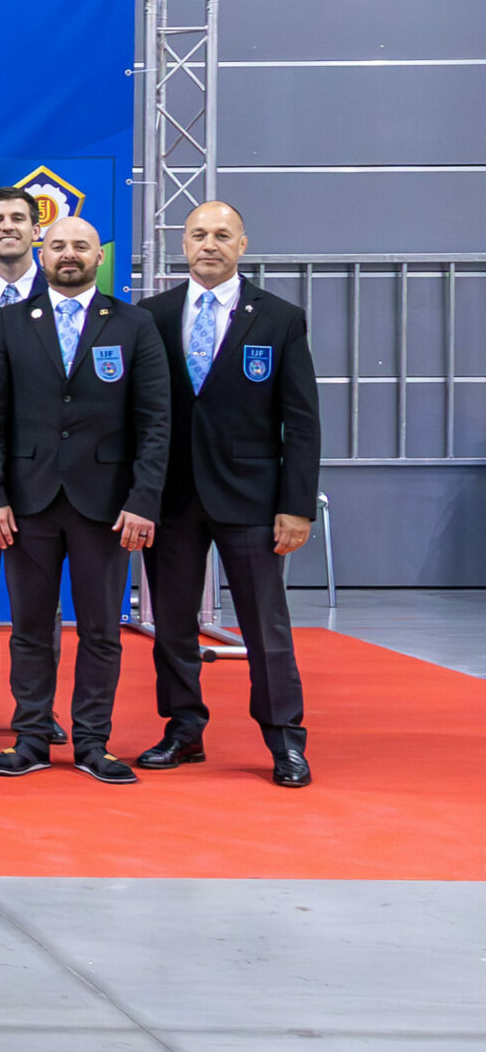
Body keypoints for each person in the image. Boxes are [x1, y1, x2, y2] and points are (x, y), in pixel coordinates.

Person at [0, 215, 170, 783]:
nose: (68, 254)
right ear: (42, 253)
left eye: (80, 246)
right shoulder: (11, 322)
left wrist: (144, 499)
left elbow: (155, 422)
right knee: (30, 629)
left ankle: (92, 742)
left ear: (98, 256)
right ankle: (31, 737)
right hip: (26, 503)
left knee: (101, 631)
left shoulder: (134, 324)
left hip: (107, 506)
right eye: (57, 245)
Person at [134, 201, 318, 788]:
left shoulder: (280, 319)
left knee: (265, 627)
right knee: (172, 624)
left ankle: (285, 739)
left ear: (243, 244)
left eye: (221, 234)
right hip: (171, 498)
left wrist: (296, 505)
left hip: (252, 500)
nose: (208, 244)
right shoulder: (151, 316)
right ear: (183, 244)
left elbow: (302, 421)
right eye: (197, 235)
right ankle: (183, 730)